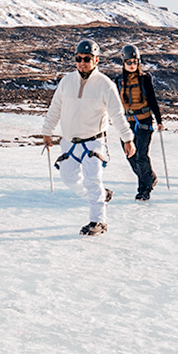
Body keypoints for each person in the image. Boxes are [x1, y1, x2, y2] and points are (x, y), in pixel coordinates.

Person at [40, 39, 135, 235]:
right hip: (69, 142)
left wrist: (127, 138)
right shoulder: (67, 81)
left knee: (92, 180)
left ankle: (98, 221)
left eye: (87, 59)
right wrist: (47, 131)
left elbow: (117, 114)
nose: (82, 62)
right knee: (69, 178)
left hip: (94, 142)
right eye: (79, 59)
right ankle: (101, 194)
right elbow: (55, 107)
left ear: (96, 60)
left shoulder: (105, 85)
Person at [115, 44, 165, 200]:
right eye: (129, 62)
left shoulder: (145, 78)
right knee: (130, 156)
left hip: (144, 122)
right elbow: (114, 103)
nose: (132, 65)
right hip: (127, 124)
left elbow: (152, 99)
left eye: (135, 62)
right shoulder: (118, 80)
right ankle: (149, 178)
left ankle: (144, 189)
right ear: (123, 63)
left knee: (141, 156)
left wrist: (159, 120)